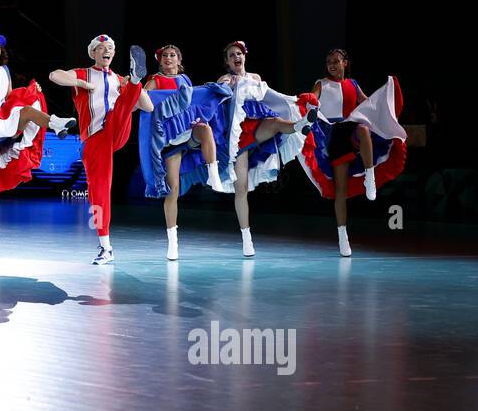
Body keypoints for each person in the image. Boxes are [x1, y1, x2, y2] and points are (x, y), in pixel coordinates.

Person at [0, 31, 78, 265]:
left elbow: (10, 100)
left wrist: (31, 93)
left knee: (27, 109)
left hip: (5, 126)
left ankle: (55, 122)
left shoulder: (4, 72)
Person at [47, 36, 153, 264]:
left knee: (120, 108)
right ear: (93, 53)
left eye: (111, 48)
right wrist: (82, 84)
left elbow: (148, 106)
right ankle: (106, 246)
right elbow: (54, 75)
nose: (107, 51)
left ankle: (136, 79)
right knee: (98, 191)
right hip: (94, 139)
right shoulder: (83, 73)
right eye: (102, 48)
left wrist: (132, 86)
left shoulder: (116, 79)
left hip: (117, 131)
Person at [299, 48, 408, 256]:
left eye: (336, 61)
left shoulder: (353, 84)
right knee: (341, 191)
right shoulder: (321, 83)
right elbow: (312, 99)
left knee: (364, 128)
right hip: (333, 135)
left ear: (345, 63)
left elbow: (368, 105)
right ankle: (342, 235)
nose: (331, 64)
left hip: (352, 128)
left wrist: (385, 104)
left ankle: (370, 177)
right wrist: (308, 100)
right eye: (328, 61)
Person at [213, 40, 316, 257]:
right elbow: (218, 98)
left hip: (257, 128)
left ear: (244, 56)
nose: (236, 57)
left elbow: (270, 97)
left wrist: (292, 102)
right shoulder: (225, 79)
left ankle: (300, 125)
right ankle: (246, 237)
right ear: (227, 62)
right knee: (241, 189)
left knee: (278, 121)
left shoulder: (256, 78)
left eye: (239, 53)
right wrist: (228, 85)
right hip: (237, 139)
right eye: (231, 55)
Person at [137, 44, 226, 260]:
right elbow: (144, 103)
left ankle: (214, 177)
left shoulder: (185, 80)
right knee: (172, 190)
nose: (169, 58)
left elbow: (193, 101)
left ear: (179, 59)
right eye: (165, 56)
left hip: (187, 133)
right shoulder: (155, 80)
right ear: (160, 61)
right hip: (168, 141)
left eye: (173, 55)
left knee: (205, 129)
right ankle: (172, 242)